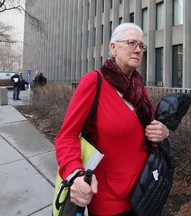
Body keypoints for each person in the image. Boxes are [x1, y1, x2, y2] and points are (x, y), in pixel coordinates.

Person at [54, 22, 169, 216]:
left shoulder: (139, 89)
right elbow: (66, 136)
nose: (138, 50)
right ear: (113, 47)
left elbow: (146, 129)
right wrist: (76, 174)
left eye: (141, 46)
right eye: (132, 43)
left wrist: (161, 132)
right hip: (111, 202)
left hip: (145, 190)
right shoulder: (94, 82)